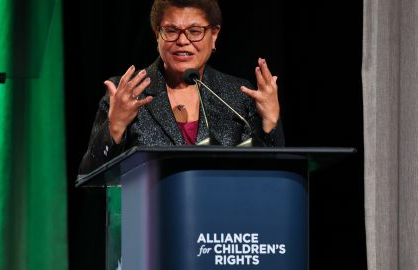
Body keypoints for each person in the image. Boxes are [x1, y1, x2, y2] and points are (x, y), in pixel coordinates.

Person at [79, 0, 285, 174]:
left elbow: (268, 176)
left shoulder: (237, 95)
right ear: (156, 35)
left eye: (195, 31)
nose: (183, 41)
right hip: (149, 219)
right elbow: (90, 178)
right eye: (171, 31)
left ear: (214, 35)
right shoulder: (126, 94)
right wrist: (114, 127)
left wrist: (271, 124)